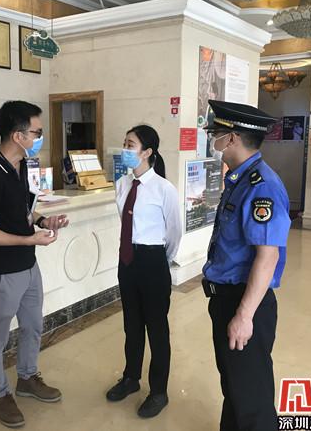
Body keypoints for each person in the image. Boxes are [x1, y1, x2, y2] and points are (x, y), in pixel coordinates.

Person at [0, 100, 69, 428]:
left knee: (32, 326)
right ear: (17, 135)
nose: (40, 138)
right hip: (1, 271)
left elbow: (24, 210)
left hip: (28, 266)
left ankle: (27, 378)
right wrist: (28, 240)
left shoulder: (22, 165)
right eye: (37, 132)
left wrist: (43, 221)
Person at [203, 100, 291, 431]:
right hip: (227, 298)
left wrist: (243, 316)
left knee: (252, 398)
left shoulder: (260, 186)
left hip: (245, 301)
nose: (213, 140)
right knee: (235, 386)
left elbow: (268, 256)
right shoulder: (239, 179)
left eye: (216, 134)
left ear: (232, 138)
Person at [106, 125, 182, 418]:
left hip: (153, 262)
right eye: (125, 143)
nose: (125, 149)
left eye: (131, 144)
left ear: (147, 152)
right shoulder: (122, 184)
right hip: (127, 261)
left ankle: (159, 391)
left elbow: (174, 232)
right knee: (132, 325)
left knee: (157, 329)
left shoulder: (164, 189)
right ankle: (130, 378)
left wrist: (159, 260)